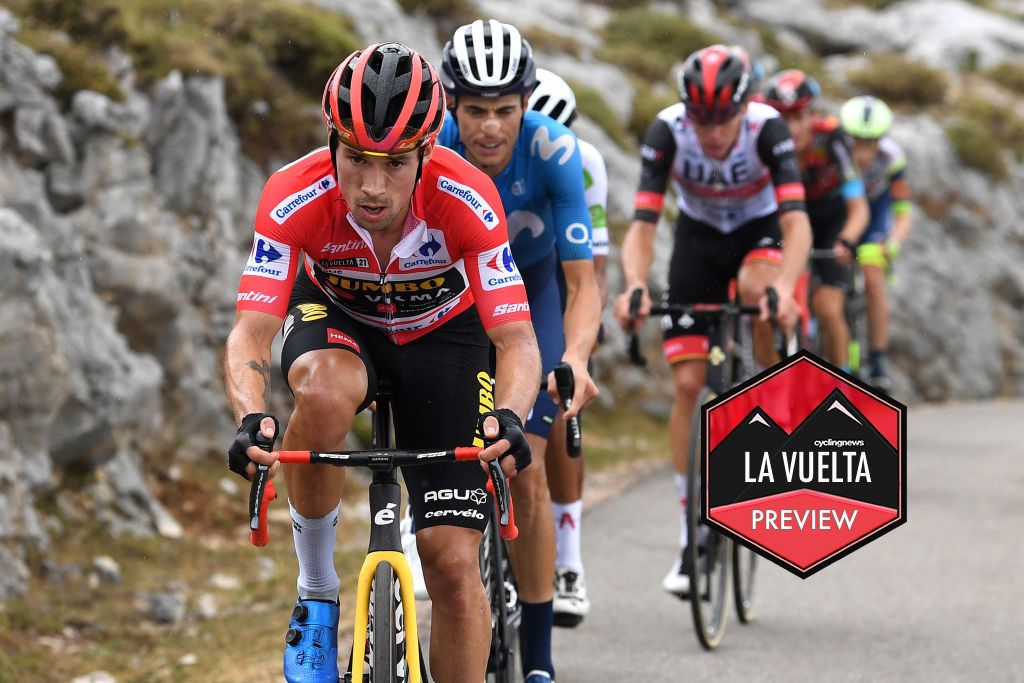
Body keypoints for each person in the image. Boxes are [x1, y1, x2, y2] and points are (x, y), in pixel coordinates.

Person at [223, 42, 541, 683]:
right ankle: (316, 591)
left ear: (427, 151)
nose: (372, 186)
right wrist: (251, 416)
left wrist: (508, 415)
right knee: (321, 392)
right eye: (355, 160)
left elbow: (516, 340)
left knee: (451, 564)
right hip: (340, 325)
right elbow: (251, 332)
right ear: (331, 143)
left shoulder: (469, 198)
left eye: (395, 163)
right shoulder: (293, 195)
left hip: (446, 341)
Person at [613, 44, 811, 597]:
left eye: (724, 119)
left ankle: (773, 387)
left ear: (744, 109)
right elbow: (645, 224)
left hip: (760, 233)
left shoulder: (769, 131)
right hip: (699, 241)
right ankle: (688, 529)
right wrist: (633, 282)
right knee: (688, 385)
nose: (714, 133)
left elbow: (798, 224)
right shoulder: (667, 132)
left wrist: (784, 288)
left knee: (756, 290)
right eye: (703, 120)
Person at [437, 19, 602, 683]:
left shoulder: (556, 152)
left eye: (505, 110)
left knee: (526, 470)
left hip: (532, 301)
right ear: (452, 105)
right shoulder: (430, 147)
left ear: (525, 104)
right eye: (475, 111)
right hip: (453, 298)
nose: (490, 128)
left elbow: (581, 283)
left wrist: (580, 357)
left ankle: (537, 658)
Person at [527, 67, 609, 627]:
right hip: (498, 268)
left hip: (555, 277)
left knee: (557, 412)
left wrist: (580, 346)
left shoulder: (587, 165)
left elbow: (591, 274)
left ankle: (570, 561)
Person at [764, 69, 869, 370]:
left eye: (800, 117)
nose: (792, 127)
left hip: (830, 224)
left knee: (827, 306)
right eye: (784, 118)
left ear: (814, 114)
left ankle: (844, 387)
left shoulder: (833, 138)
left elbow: (859, 206)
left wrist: (847, 239)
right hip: (786, 220)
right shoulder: (764, 140)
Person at [839, 95, 913, 389]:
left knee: (872, 276)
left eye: (870, 143)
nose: (862, 152)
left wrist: (892, 243)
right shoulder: (834, 151)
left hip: (874, 222)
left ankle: (878, 359)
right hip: (842, 218)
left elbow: (904, 213)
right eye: (856, 142)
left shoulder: (892, 158)